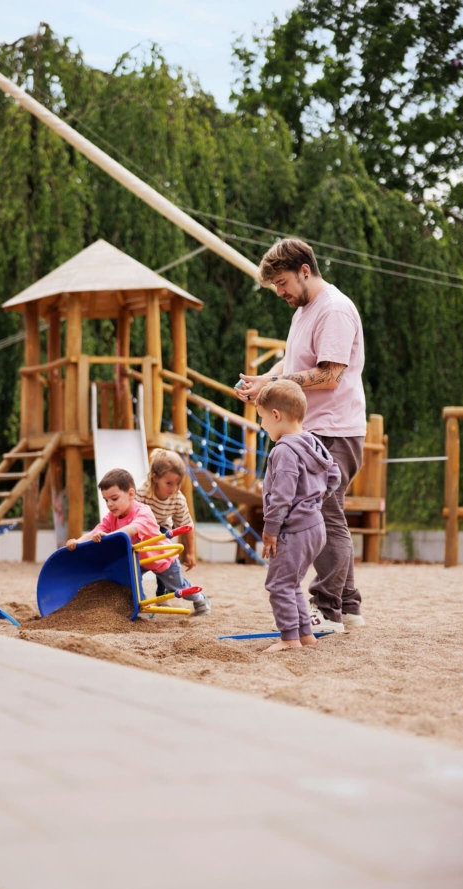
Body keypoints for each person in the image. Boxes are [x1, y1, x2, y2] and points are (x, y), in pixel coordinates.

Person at [236, 239, 366, 632]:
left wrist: (275, 384)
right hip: (316, 428)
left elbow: (328, 375)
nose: (280, 292)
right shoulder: (305, 310)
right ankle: (348, 604)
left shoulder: (334, 309)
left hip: (335, 429)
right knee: (329, 513)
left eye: (281, 282)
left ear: (304, 270)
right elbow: (297, 361)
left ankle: (326, 609)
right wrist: (265, 380)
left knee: (323, 515)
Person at [257, 381, 341, 652]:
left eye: (262, 418)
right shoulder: (313, 442)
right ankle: (306, 635)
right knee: (292, 582)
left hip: (293, 530)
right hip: (316, 526)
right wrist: (314, 500)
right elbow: (335, 476)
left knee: (279, 584)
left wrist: (271, 528)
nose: (262, 425)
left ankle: (289, 639)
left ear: (276, 415)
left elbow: (282, 495)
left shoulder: (283, 450)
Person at [66, 467, 210, 615]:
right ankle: (143, 609)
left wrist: (107, 537)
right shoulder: (111, 517)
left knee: (177, 588)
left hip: (162, 558)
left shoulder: (143, 512)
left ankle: (199, 598)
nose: (109, 504)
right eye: (106, 500)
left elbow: (131, 530)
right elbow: (95, 531)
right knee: (129, 582)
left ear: (131, 494)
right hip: (139, 560)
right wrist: (78, 541)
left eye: (114, 499)